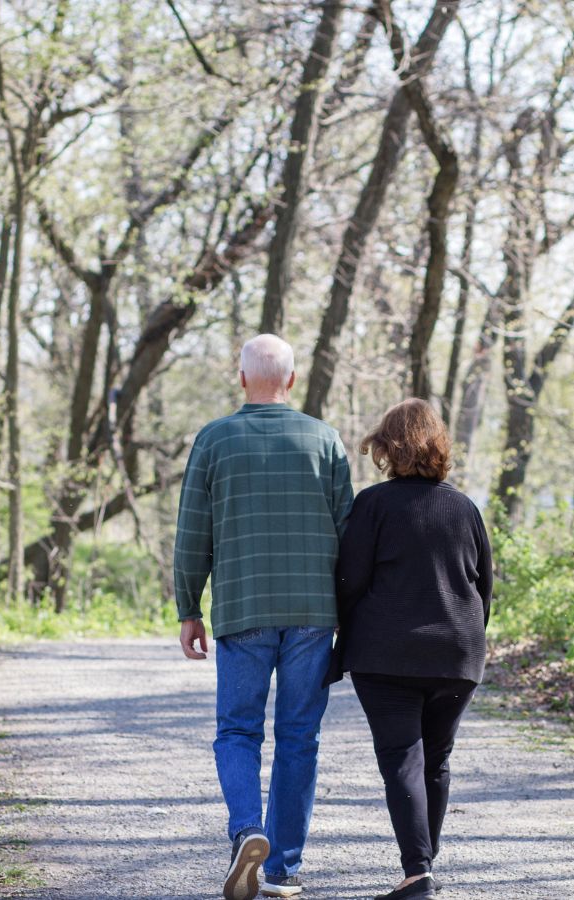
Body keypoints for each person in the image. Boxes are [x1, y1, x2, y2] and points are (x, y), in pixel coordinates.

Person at [173, 334, 354, 900]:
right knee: (300, 735)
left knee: (237, 730)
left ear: (243, 378)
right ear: (292, 381)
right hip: (312, 613)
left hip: (243, 607)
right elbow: (350, 535)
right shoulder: (324, 439)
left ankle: (248, 831)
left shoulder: (214, 439)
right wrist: (350, 612)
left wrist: (188, 608)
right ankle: (283, 867)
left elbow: (191, 534)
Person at [328, 398, 492, 900]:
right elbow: (484, 587)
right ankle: (422, 866)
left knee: (402, 756)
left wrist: (339, 631)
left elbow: (349, 579)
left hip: (386, 655)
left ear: (386, 448)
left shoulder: (374, 505)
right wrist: (466, 637)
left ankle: (418, 872)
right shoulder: (464, 507)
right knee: (436, 759)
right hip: (457, 653)